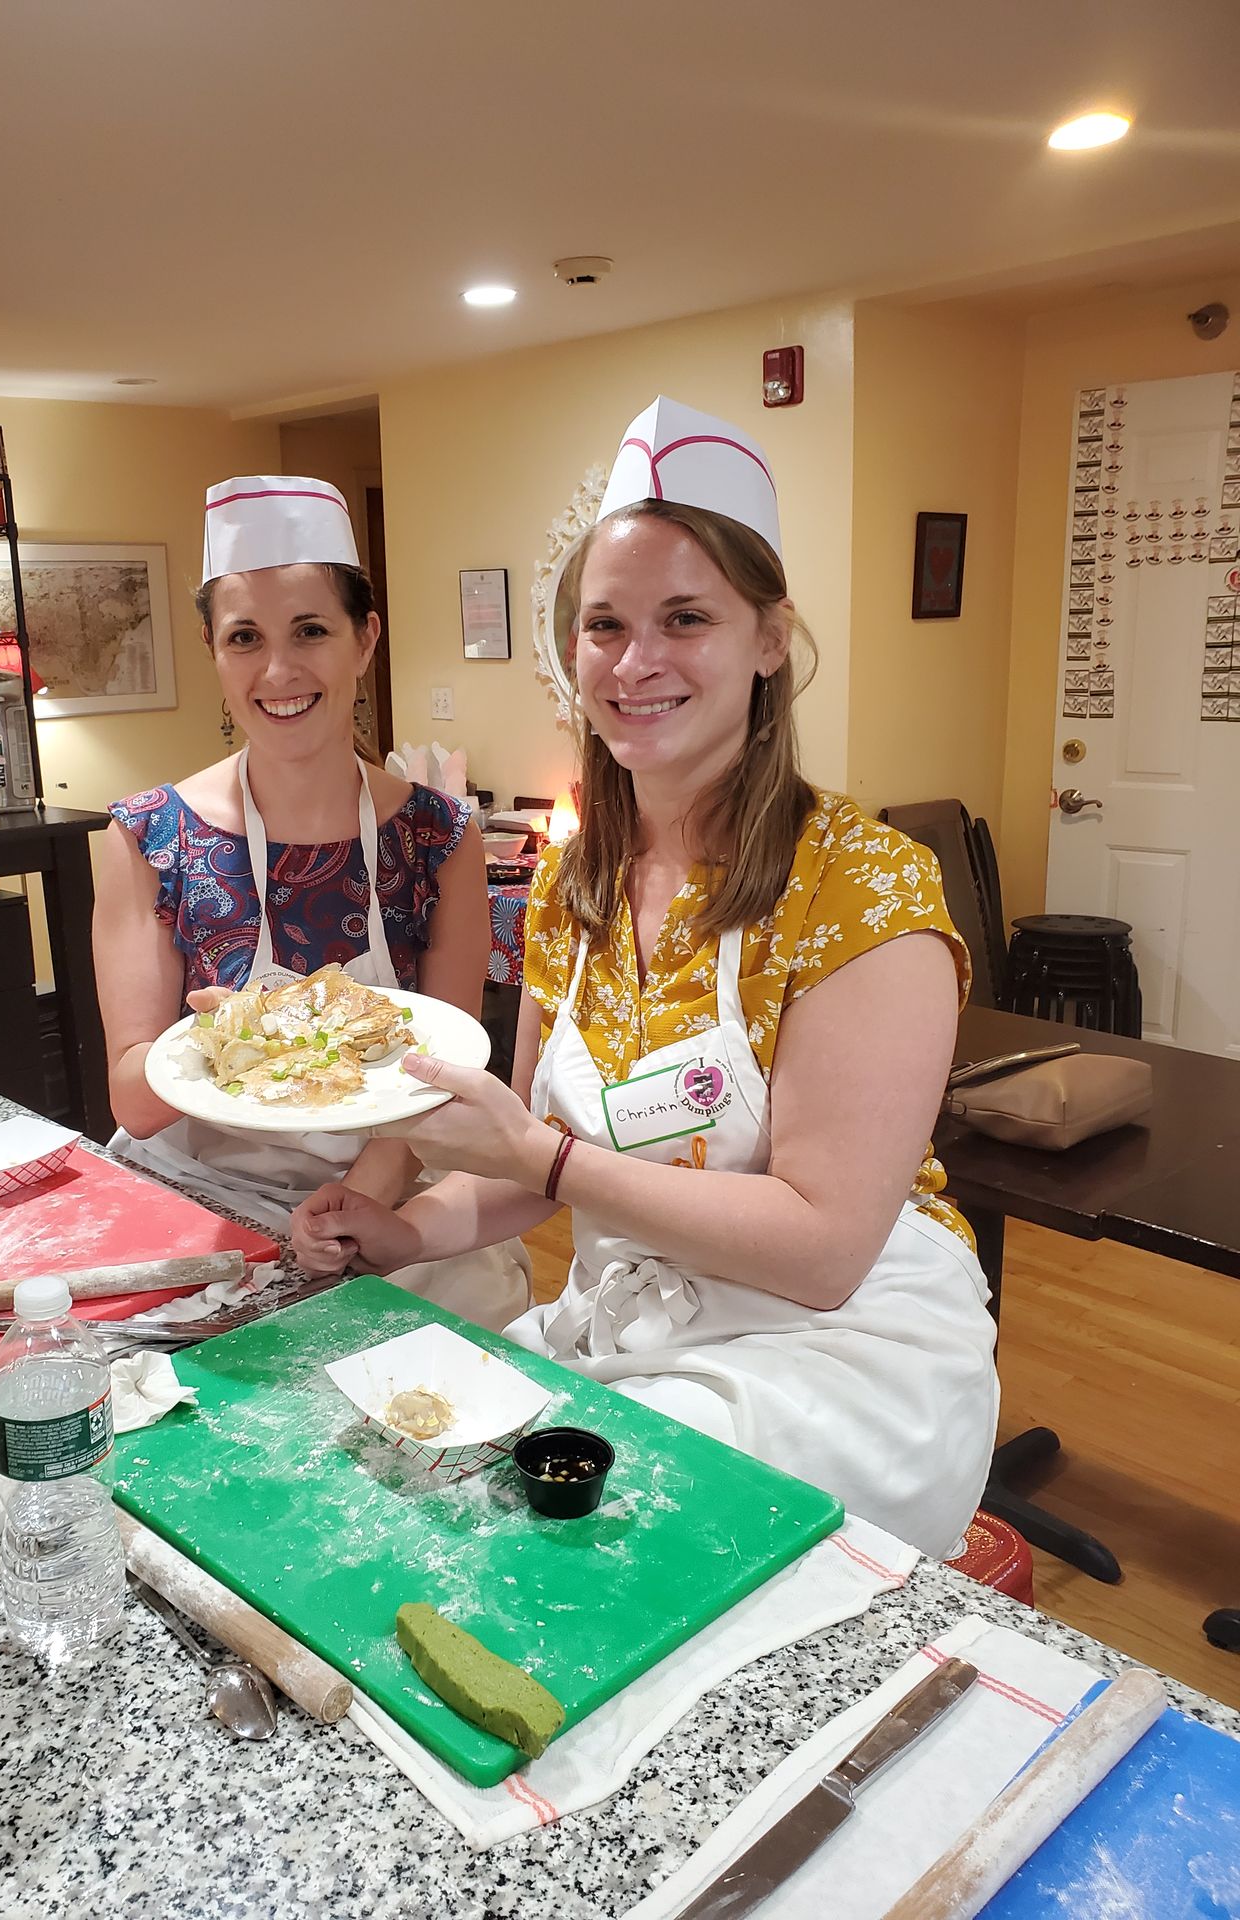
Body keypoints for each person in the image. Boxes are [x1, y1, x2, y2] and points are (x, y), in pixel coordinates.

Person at [296, 400, 1000, 1556]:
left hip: (839, 1359)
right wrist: (402, 1232)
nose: (635, 663)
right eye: (604, 624)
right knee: (384, 1476)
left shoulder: (864, 889)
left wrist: (544, 1157)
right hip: (633, 1325)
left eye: (687, 618)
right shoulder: (578, 878)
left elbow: (823, 1251)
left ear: (770, 638)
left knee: (541, 1542)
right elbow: (530, 1166)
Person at [92, 474, 530, 1331]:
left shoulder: (441, 835)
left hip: (393, 1184)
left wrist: (351, 1210)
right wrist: (242, 1032)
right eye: (245, 638)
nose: (279, 671)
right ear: (214, 653)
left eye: (311, 632)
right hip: (197, 1193)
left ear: (365, 640)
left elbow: (443, 1075)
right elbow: (135, 1102)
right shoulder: (149, 836)